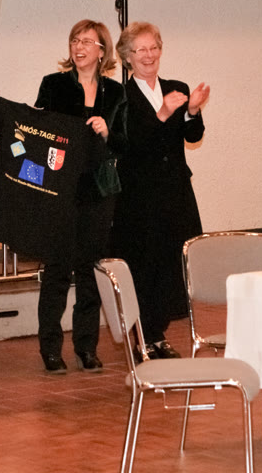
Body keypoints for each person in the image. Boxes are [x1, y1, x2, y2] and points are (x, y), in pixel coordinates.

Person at [110, 22, 210, 359]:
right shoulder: (120, 96)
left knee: (170, 263)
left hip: (175, 191)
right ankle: (142, 337)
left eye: (153, 47)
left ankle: (158, 334)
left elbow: (192, 137)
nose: (149, 55)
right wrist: (164, 113)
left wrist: (192, 111)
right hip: (138, 195)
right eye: (140, 49)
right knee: (143, 264)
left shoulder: (177, 88)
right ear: (127, 57)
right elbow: (132, 145)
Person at [33, 20, 128, 374]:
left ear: (102, 51)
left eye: (87, 41)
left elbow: (124, 143)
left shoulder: (116, 93)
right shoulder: (53, 85)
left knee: (90, 272)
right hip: (61, 188)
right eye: (75, 40)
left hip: (99, 190)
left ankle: (87, 347)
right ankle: (50, 348)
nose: (79, 47)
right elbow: (38, 130)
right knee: (57, 270)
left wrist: (107, 132)